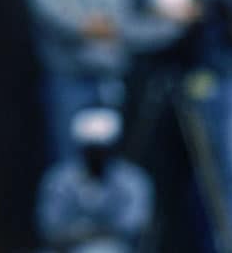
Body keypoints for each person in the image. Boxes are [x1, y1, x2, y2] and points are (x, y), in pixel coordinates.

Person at [131, 0, 232, 253]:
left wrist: (211, 13)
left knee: (225, 173)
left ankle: (225, 245)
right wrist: (172, 13)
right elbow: (143, 9)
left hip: (217, 80)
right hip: (174, 75)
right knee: (160, 172)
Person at [27, 0, 174, 160]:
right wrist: (98, 27)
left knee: (111, 157)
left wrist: (170, 24)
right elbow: (69, 23)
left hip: (107, 81)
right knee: (70, 159)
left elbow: (129, 25)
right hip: (69, 81)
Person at [35, 107, 153, 253]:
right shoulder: (59, 179)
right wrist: (96, 232)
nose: (96, 156)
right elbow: (50, 228)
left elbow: (132, 227)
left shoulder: (132, 180)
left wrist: (83, 233)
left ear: (113, 148)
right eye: (91, 150)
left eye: (101, 150)